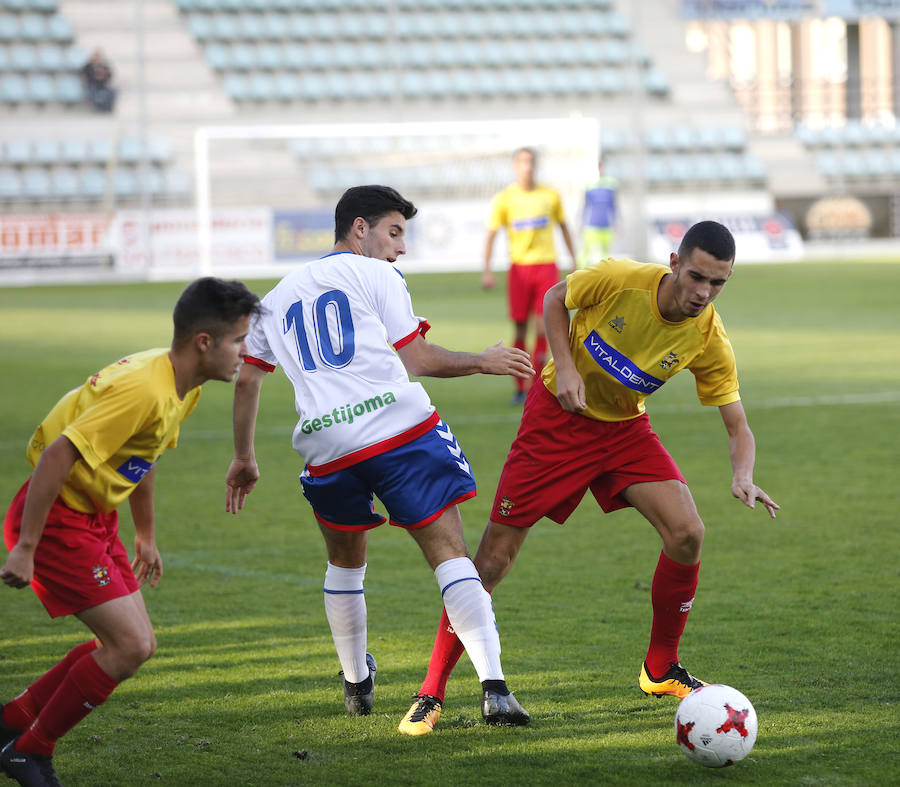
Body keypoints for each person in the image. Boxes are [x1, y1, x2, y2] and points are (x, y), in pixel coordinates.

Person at [404, 221, 780, 735]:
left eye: (717, 283)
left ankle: (660, 668)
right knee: (492, 559)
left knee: (688, 532)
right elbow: (556, 298)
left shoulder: (708, 335)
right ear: (674, 261)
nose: (703, 293)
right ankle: (431, 692)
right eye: (696, 277)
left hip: (624, 431)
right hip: (555, 421)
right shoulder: (622, 278)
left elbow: (738, 425)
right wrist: (566, 365)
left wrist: (744, 474)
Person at [224, 185, 534, 736]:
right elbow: (419, 359)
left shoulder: (273, 299)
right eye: (395, 233)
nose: (401, 249)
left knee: (346, 563)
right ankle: (495, 690)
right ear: (359, 228)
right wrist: (483, 361)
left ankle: (355, 684)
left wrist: (244, 457)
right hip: (398, 432)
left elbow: (248, 379)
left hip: (327, 449)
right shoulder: (376, 276)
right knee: (450, 555)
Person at [0, 278, 262, 787]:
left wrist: (145, 534)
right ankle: (29, 752)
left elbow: (144, 454)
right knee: (129, 646)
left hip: (93, 517)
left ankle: (11, 721)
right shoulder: (147, 389)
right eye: (238, 340)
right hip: (57, 518)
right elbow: (59, 455)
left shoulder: (178, 384)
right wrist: (25, 547)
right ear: (203, 342)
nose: (245, 352)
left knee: (129, 642)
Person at [482, 147, 577, 405]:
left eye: (531, 161)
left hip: (546, 266)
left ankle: (537, 386)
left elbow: (564, 227)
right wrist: (487, 270)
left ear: (536, 165)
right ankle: (519, 387)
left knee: (544, 327)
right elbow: (491, 234)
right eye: (523, 162)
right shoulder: (505, 199)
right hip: (520, 269)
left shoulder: (550, 195)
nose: (528, 166)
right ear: (515, 166)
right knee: (521, 327)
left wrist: (573, 261)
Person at [577, 158, 617, 268]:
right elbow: (585, 206)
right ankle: (580, 273)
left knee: (605, 254)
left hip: (606, 225)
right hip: (592, 225)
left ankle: (604, 276)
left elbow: (613, 206)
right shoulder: (590, 184)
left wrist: (616, 223)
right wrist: (581, 222)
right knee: (586, 251)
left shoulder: (610, 184)